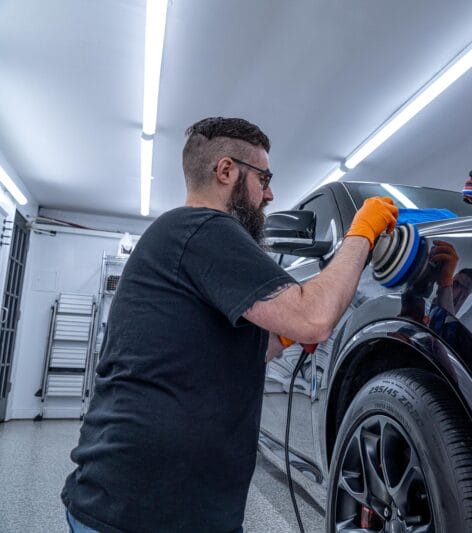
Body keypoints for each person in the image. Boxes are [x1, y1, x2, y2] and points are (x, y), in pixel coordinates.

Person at [61, 117, 398, 532]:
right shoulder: (204, 228)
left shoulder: (180, 236)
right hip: (140, 513)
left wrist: (286, 331)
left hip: (150, 504)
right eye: (264, 178)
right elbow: (313, 318)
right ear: (225, 171)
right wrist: (361, 234)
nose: (269, 194)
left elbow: (240, 348)